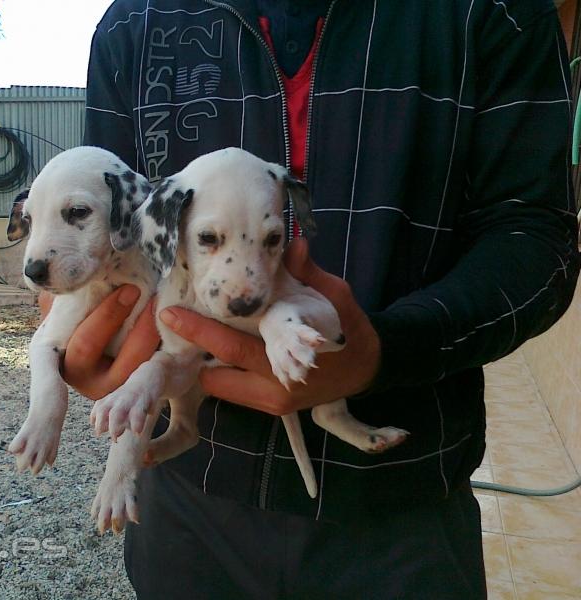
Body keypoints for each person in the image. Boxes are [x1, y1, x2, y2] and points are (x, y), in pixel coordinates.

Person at [45, 0, 581, 597]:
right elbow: (101, 228)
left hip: (401, 509)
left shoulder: (495, 10)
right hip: (187, 509)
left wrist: (387, 351)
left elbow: (537, 238)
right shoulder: (135, 23)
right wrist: (84, 325)